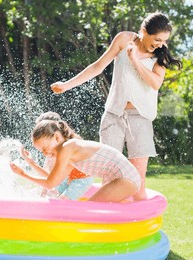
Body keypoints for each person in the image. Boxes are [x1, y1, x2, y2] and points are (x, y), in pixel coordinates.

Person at [50, 12, 182, 200]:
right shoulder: (124, 39)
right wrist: (67, 85)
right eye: (157, 39)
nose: (160, 44)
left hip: (141, 117)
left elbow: (155, 83)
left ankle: (139, 228)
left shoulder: (161, 56)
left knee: (137, 182)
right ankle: (105, 226)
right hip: (113, 114)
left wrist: (135, 59)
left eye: (164, 41)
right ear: (144, 31)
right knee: (110, 179)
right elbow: (98, 66)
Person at [10, 120, 141, 203]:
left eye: (45, 148)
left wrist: (23, 174)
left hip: (126, 177)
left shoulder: (67, 148)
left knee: (90, 209)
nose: (45, 153)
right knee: (101, 208)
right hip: (118, 178)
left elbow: (49, 183)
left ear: (56, 137)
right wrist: (30, 162)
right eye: (41, 151)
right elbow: (52, 180)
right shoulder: (68, 154)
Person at [20, 111, 93, 200]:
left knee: (61, 199)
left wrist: (25, 171)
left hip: (82, 179)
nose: (45, 152)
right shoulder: (56, 149)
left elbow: (51, 180)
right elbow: (50, 179)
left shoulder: (67, 148)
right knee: (50, 195)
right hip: (68, 179)